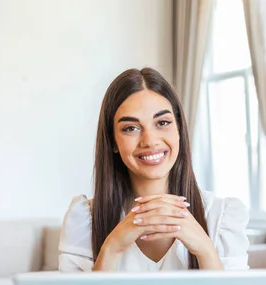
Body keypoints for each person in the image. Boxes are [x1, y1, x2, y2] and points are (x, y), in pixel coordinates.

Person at [58, 67, 249, 272]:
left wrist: (205, 250)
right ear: (113, 141)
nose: (150, 141)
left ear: (179, 131)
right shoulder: (85, 220)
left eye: (163, 122)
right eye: (131, 128)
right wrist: (112, 247)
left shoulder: (222, 217)